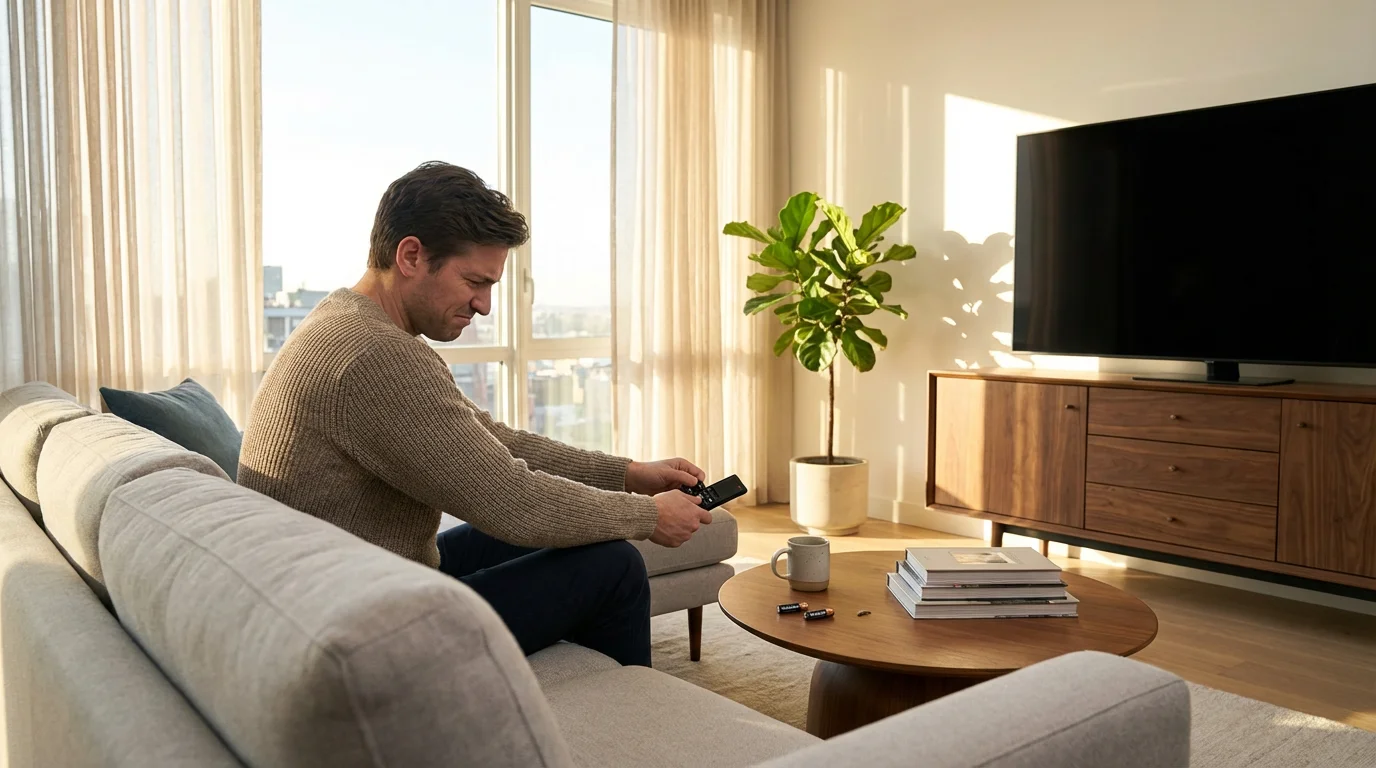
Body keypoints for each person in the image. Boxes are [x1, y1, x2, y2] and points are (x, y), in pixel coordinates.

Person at [238, 161, 713, 667]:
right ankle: (618, 713)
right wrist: (648, 516)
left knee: (554, 532)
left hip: (363, 582)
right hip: (365, 628)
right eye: (474, 281)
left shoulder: (349, 322)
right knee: (614, 565)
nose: (484, 306)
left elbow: (491, 441)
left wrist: (628, 474)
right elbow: (514, 502)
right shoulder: (375, 354)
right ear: (411, 256)